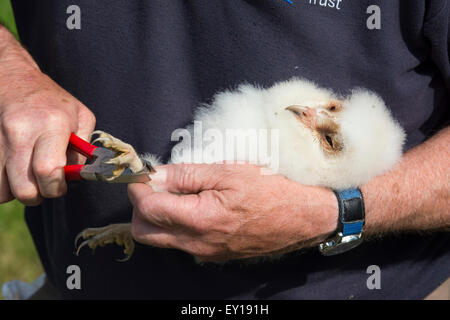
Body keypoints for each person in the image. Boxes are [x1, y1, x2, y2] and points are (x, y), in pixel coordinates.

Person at [0, 1, 448, 299]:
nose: (314, 114)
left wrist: (340, 210)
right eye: (328, 108)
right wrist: (8, 74)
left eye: (327, 128)